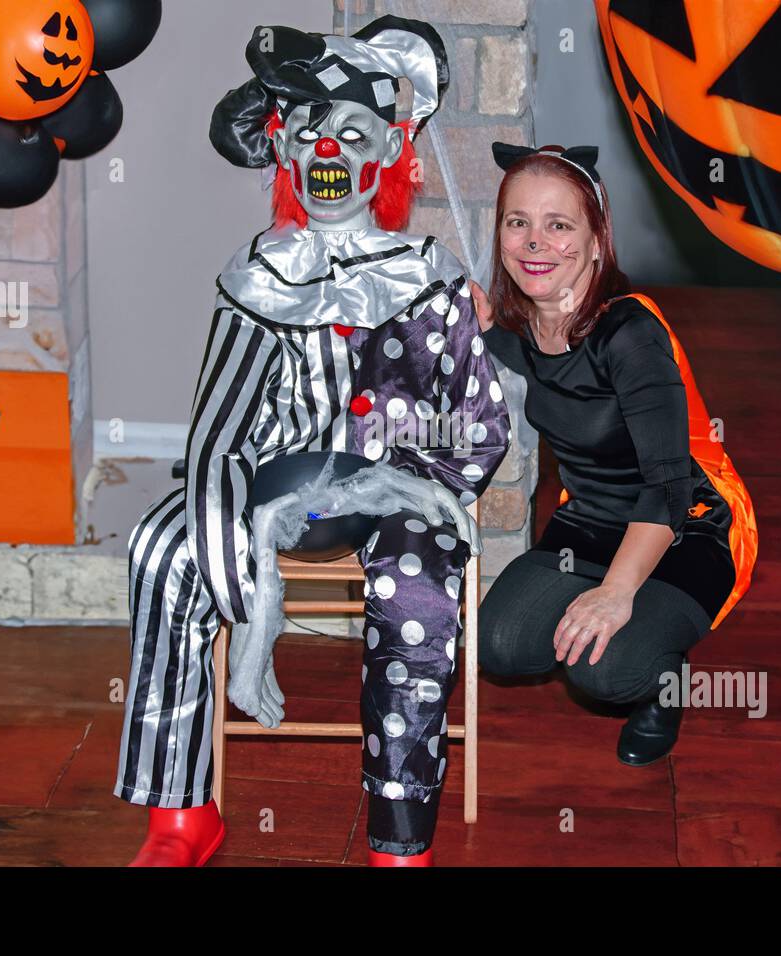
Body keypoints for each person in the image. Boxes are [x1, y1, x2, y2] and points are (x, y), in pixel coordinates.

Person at [114, 16, 509, 867]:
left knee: (417, 581)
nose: (329, 153)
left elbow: (480, 424)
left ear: (388, 155)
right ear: (286, 153)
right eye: (309, 135)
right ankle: (182, 816)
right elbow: (218, 430)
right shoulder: (257, 274)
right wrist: (249, 587)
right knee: (162, 548)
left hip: (401, 488)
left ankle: (401, 843)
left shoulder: (430, 275)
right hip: (270, 484)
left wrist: (424, 479)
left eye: (353, 134)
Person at [470, 143, 758, 767]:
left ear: (597, 242)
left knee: (607, 675)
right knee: (500, 643)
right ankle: (624, 611)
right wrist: (484, 326)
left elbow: (669, 484)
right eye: (518, 222)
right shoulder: (537, 323)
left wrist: (617, 592)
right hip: (593, 520)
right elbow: (541, 366)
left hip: (686, 524)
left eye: (559, 225)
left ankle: (662, 681)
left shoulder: (629, 332)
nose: (534, 242)